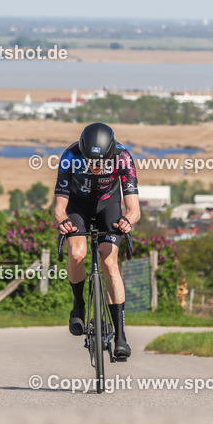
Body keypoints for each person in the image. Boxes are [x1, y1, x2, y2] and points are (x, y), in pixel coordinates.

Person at [53, 122, 140, 359]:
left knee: (109, 261)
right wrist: (63, 222)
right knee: (77, 253)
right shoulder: (70, 156)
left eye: (101, 163)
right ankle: (78, 305)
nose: (95, 167)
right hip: (78, 206)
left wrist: (127, 221)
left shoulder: (123, 158)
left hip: (108, 205)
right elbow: (60, 207)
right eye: (91, 162)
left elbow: (133, 209)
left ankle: (121, 335)